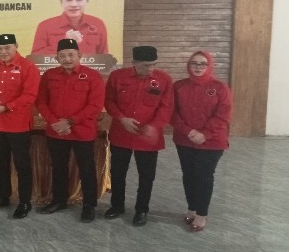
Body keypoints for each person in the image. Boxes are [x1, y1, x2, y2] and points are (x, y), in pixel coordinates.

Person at [36, 39, 105, 222]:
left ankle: (89, 205)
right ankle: (59, 200)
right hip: (56, 131)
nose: (67, 59)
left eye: (71, 54)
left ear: (79, 55)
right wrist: (54, 122)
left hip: (83, 131)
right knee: (58, 167)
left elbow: (95, 105)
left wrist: (70, 121)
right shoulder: (49, 75)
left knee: (86, 168)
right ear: (56, 58)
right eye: (62, 55)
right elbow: (41, 102)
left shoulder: (92, 76)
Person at [104, 46, 173, 226]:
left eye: (154, 64)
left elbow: (166, 107)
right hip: (122, 133)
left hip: (148, 137)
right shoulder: (117, 77)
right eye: (146, 65)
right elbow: (109, 101)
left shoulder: (164, 79)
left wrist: (154, 126)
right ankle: (117, 206)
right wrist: (121, 118)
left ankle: (142, 209)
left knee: (146, 175)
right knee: (117, 173)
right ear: (134, 63)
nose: (151, 69)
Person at [171, 51, 232, 232]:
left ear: (209, 65)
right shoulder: (179, 86)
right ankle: (192, 208)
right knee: (188, 174)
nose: (198, 67)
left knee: (204, 176)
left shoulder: (220, 87)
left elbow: (223, 115)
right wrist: (188, 131)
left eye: (203, 63)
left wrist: (205, 134)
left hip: (212, 141)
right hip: (185, 139)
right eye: (194, 63)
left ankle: (202, 214)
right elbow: (172, 112)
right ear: (189, 65)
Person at [0, 34, 40, 219]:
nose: (3, 51)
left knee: (22, 165)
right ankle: (3, 197)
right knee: (1, 164)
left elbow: (30, 96)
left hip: (19, 125)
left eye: (7, 47)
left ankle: (25, 202)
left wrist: (6, 107)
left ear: (16, 46)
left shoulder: (28, 67)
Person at [31, 0, 108, 55]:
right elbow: (35, 57)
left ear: (87, 1)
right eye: (68, 0)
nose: (74, 4)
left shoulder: (97, 24)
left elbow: (104, 58)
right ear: (61, 2)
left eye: (79, 0)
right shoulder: (45, 26)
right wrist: (65, 44)